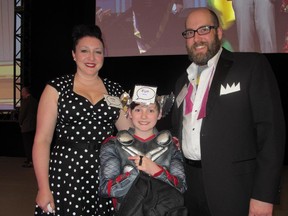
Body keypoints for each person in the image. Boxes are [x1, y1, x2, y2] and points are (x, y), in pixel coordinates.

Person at [172, 7, 286, 216]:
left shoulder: (250, 66)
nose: (196, 38)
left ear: (219, 32)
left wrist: (264, 195)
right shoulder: (182, 81)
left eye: (204, 29)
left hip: (235, 190)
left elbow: (271, 135)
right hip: (190, 190)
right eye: (190, 32)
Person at [32, 24, 132, 215]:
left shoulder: (118, 91)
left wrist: (148, 115)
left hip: (104, 172)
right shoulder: (56, 88)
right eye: (84, 51)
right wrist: (43, 187)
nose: (91, 58)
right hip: (66, 171)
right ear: (74, 55)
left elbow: (129, 134)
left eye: (98, 52)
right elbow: (42, 140)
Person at [99, 85, 187, 215]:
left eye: (151, 110)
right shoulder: (112, 145)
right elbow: (106, 189)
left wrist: (156, 171)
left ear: (160, 113)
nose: (144, 116)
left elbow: (181, 187)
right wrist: (136, 172)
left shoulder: (171, 145)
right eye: (138, 110)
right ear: (129, 112)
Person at [18, 86, 38, 168]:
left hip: (26, 127)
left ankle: (30, 161)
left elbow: (22, 114)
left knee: (27, 145)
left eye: (22, 92)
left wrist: (20, 122)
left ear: (26, 92)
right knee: (32, 144)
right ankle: (32, 159)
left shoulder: (26, 101)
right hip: (33, 126)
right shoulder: (34, 100)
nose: (21, 94)